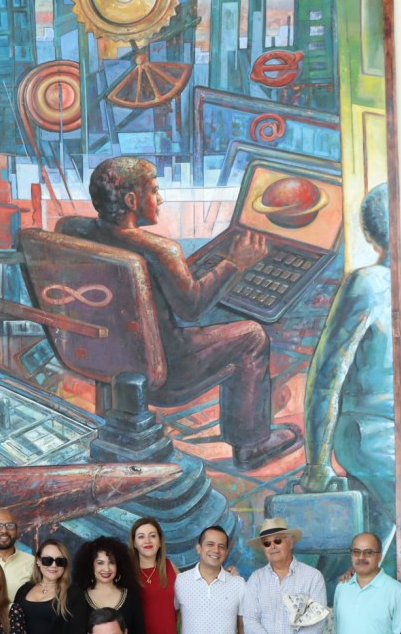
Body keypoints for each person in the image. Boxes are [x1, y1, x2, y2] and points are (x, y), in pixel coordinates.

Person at [71, 156, 299, 470]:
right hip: (166, 373)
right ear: (132, 200)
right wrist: (235, 263)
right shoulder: (161, 250)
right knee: (252, 336)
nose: (160, 198)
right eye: (154, 189)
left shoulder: (74, 232)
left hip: (109, 359)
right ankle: (252, 444)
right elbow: (192, 308)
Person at [301, 184, 397, 555]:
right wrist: (316, 463)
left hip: (391, 438)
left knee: (371, 550)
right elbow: (327, 375)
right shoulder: (368, 284)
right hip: (370, 436)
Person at [68, 537, 146, 634]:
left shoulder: (131, 596)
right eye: (100, 563)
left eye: (111, 563)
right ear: (91, 566)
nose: (106, 568)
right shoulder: (79, 597)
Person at [131, 517, 180, 634]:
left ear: (160, 541)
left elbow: (194, 594)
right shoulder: (127, 572)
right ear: (134, 543)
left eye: (152, 536)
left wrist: (227, 575)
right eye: (141, 536)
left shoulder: (170, 567)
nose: (147, 541)